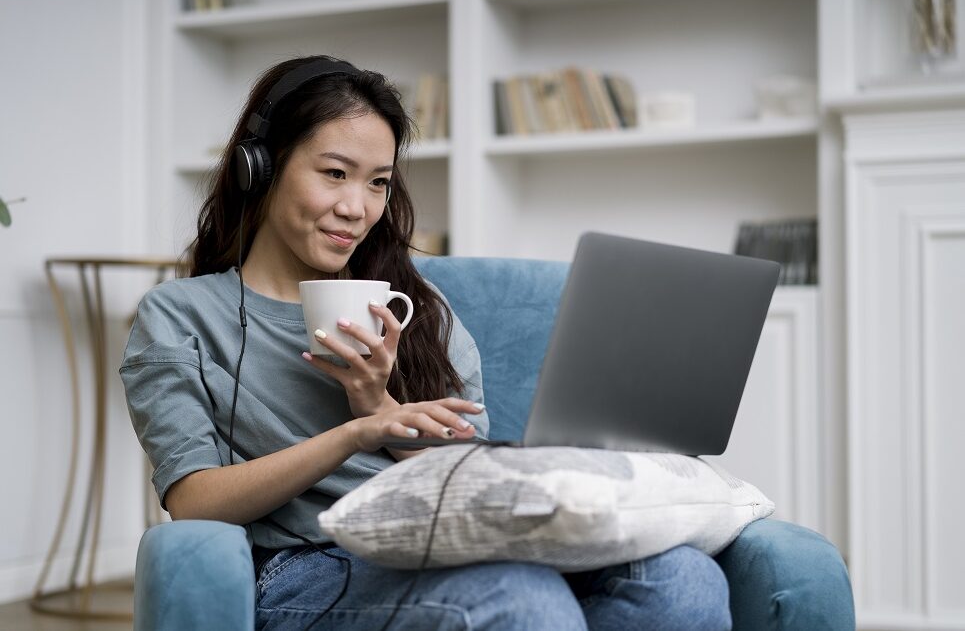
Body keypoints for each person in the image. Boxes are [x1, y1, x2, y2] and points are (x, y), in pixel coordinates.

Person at [120, 54, 732, 631]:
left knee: (684, 579)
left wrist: (378, 406)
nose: (356, 208)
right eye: (335, 174)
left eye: (378, 183)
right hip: (309, 563)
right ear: (261, 168)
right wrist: (352, 435)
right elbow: (194, 500)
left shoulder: (416, 308)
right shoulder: (181, 315)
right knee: (519, 597)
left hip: (446, 538)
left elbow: (475, 478)